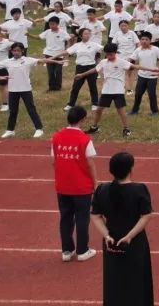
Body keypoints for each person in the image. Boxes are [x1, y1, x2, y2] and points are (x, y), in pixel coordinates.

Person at [90, 152, 154, 306]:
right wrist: (130, 236)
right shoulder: (139, 189)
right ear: (131, 169)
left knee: (113, 281)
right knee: (138, 282)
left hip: (111, 242)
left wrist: (106, 235)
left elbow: (95, 215)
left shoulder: (102, 190)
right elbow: (146, 215)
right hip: (134, 243)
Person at [0, 41, 63, 138]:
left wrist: (57, 61)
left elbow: (43, 60)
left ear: (22, 51)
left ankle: (39, 129)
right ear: (11, 51)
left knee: (31, 109)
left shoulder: (28, 60)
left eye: (18, 51)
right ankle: (10, 130)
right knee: (13, 111)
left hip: (25, 89)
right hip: (12, 90)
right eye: (14, 50)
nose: (16, 52)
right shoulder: (7, 62)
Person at [52, 106, 98, 262]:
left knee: (65, 218)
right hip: (81, 188)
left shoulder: (56, 137)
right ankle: (82, 250)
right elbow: (90, 163)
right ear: (82, 120)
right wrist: (95, 183)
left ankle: (66, 250)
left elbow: (54, 161)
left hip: (62, 186)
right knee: (82, 218)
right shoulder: (85, 139)